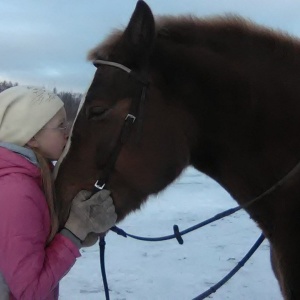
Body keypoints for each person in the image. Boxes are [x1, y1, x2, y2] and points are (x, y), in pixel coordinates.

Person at [0, 86, 117, 300]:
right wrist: (75, 229)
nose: (68, 132)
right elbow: (29, 291)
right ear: (31, 137)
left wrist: (84, 230)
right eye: (60, 125)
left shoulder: (37, 176)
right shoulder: (16, 191)